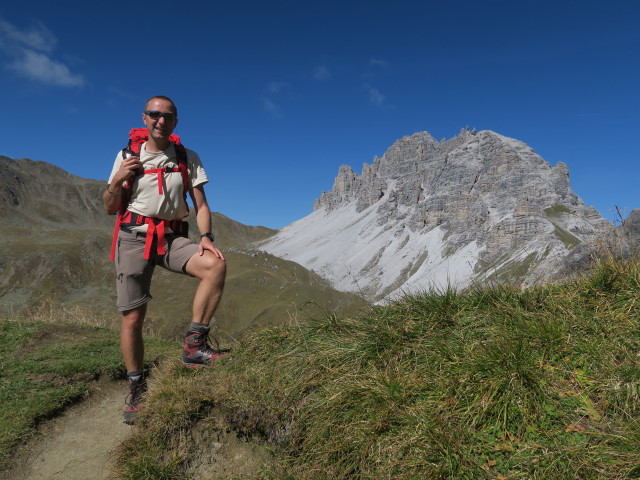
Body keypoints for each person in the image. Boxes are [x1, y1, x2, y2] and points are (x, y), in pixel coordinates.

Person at [103, 95, 226, 424]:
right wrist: (118, 179)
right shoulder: (127, 155)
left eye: (168, 116)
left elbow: (200, 204)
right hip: (133, 237)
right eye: (155, 115)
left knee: (215, 265)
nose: (161, 121)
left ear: (175, 121)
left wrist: (207, 238)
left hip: (172, 238)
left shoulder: (187, 156)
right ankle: (136, 387)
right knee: (132, 318)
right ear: (144, 118)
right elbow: (109, 207)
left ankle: (193, 347)